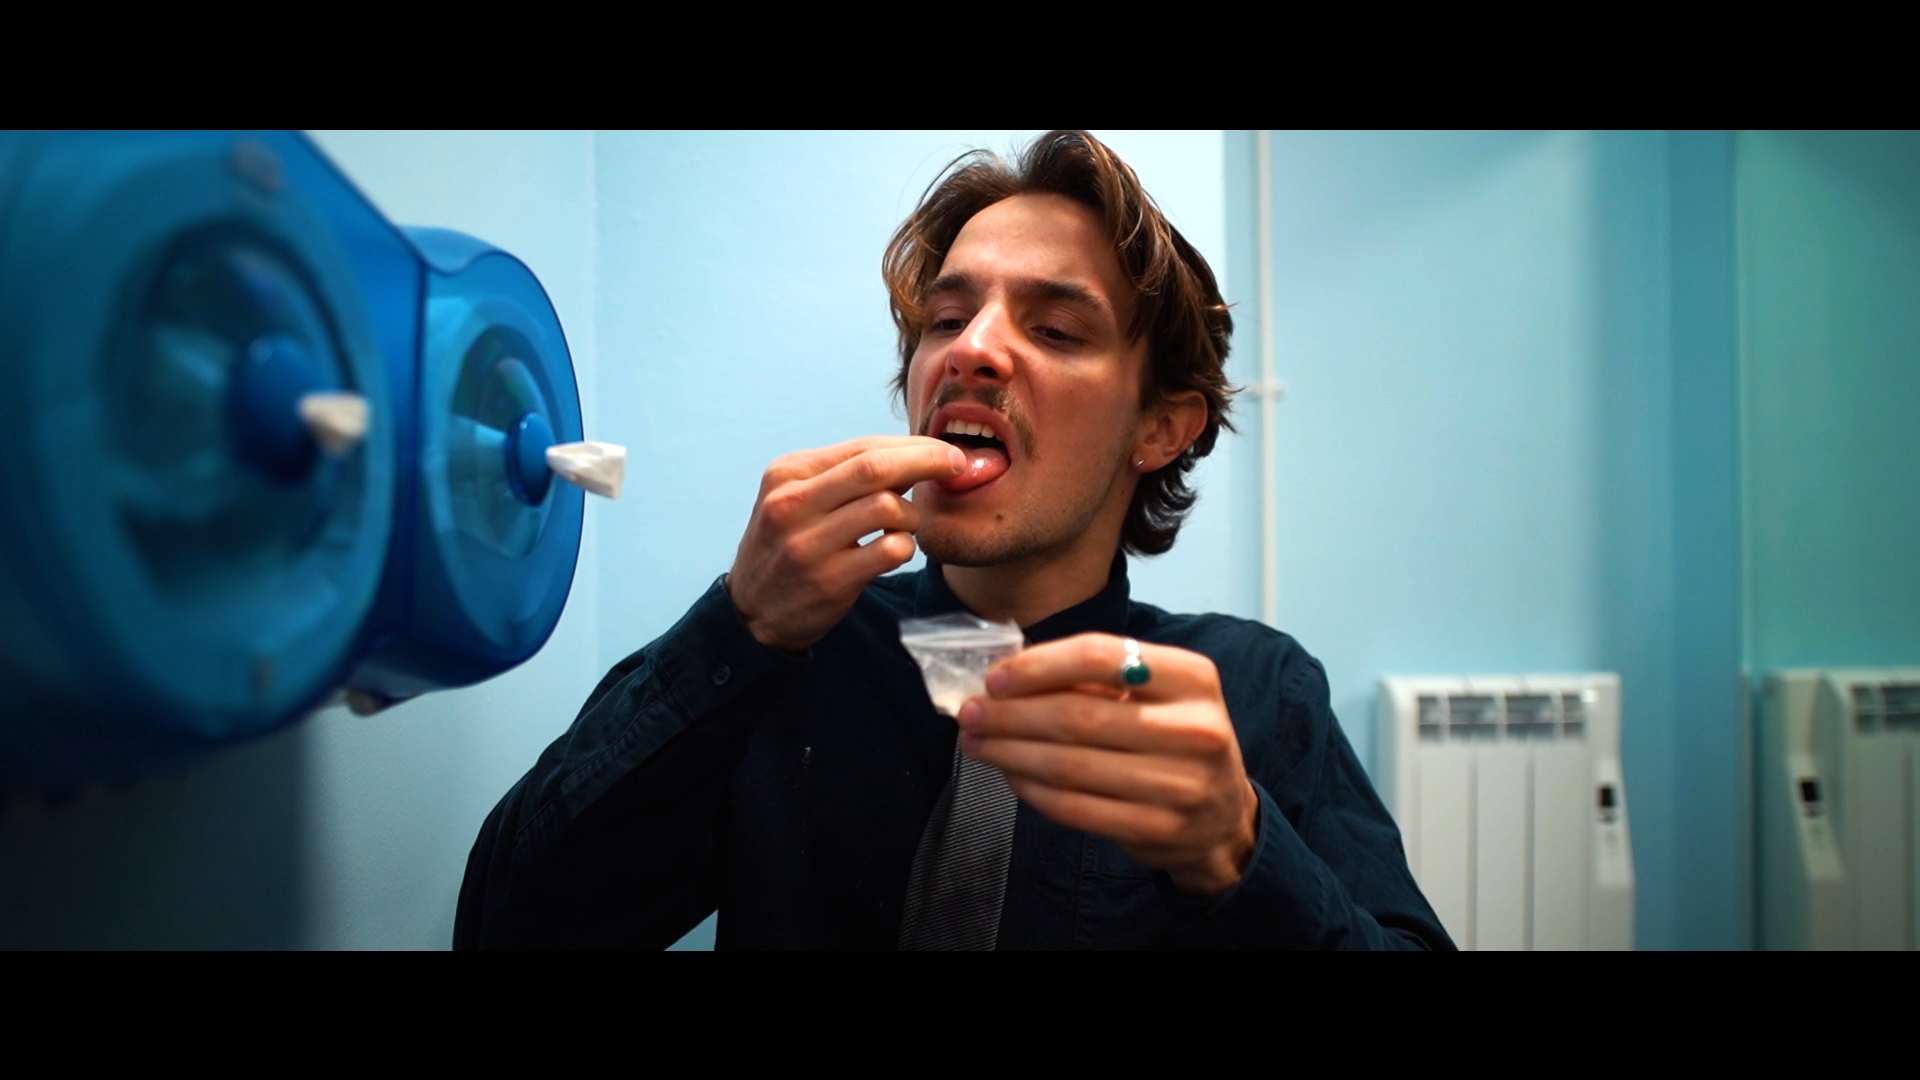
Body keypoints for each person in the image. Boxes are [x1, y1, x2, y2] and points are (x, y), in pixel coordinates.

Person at [453, 130, 1453, 950]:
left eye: (1057, 331)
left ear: (1162, 427)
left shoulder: (1254, 694)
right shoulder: (785, 655)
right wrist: (735, 630)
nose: (972, 348)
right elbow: (504, 930)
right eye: (947, 317)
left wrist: (1241, 851)